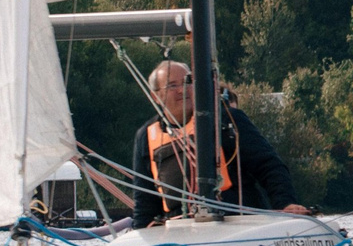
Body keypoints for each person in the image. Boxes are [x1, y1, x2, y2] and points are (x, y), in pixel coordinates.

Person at [130, 61, 309, 226]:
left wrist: (286, 203)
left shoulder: (226, 120)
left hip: (238, 224)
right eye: (172, 85)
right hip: (181, 232)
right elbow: (145, 202)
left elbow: (269, 166)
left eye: (188, 81)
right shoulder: (145, 137)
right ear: (155, 96)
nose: (182, 90)